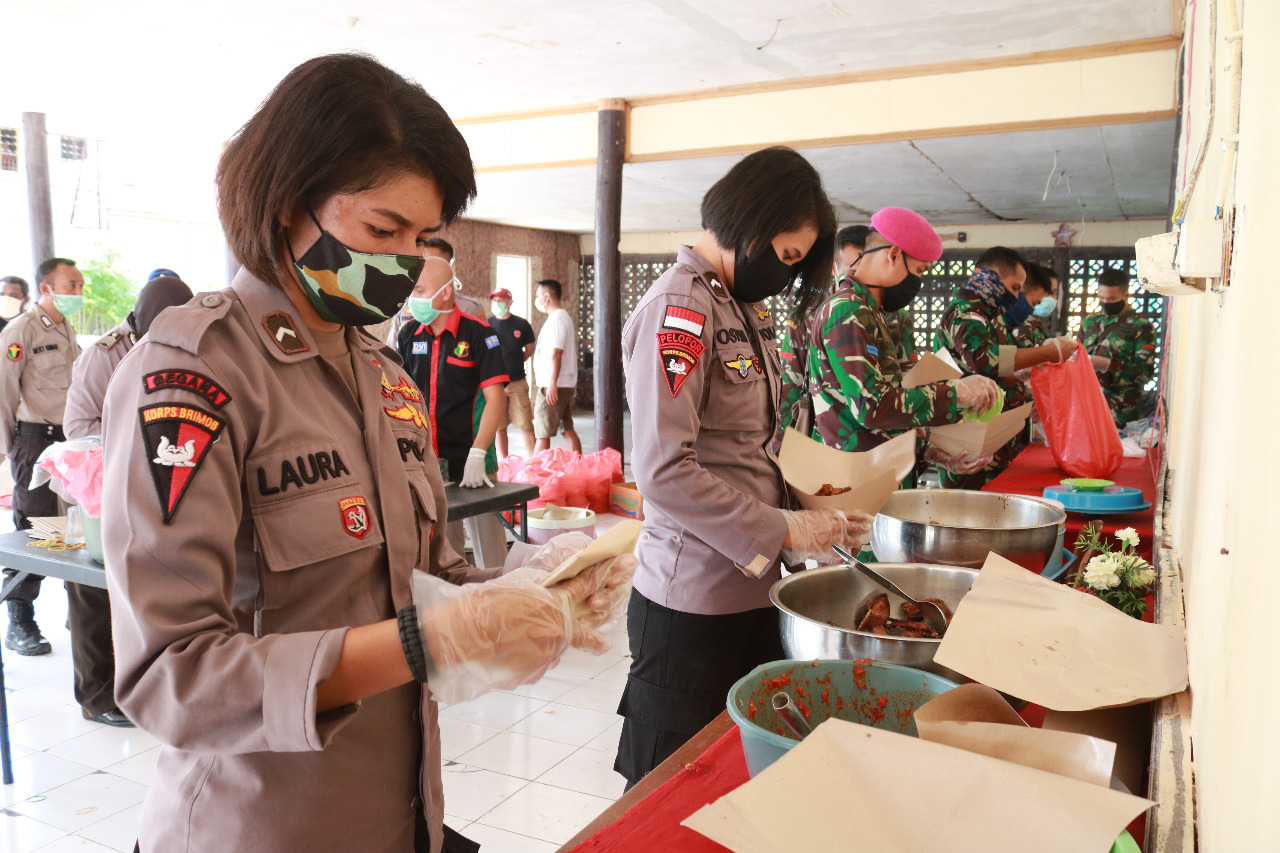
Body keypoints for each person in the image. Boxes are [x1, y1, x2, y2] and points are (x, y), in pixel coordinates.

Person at [99, 54, 630, 853]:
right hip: (255, 829)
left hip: (396, 815)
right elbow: (171, 676)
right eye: (382, 230)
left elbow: (419, 583)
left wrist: (531, 587)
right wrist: (429, 640)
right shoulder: (195, 373)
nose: (406, 261)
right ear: (288, 207)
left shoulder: (383, 374)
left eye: (421, 237)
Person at [616, 147, 872, 789]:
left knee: (738, 763)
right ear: (749, 223)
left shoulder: (735, 308)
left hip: (754, 580)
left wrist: (814, 510)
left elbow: (751, 443)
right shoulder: (682, 310)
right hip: (694, 593)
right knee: (668, 781)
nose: (784, 277)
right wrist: (784, 529)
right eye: (786, 258)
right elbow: (663, 469)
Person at [57, 275, 193, 727]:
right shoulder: (106, 354)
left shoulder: (190, 343)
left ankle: (148, 688)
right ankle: (96, 695)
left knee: (149, 592)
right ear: (138, 323)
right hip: (102, 489)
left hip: (163, 487)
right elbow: (78, 428)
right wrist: (139, 443)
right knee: (92, 589)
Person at [780, 208, 1000, 483]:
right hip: (855, 486)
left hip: (883, 475)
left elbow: (889, 409)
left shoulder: (872, 313)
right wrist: (957, 392)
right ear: (894, 255)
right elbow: (872, 409)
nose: (918, 281)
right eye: (918, 270)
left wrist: (933, 453)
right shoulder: (847, 312)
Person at [397, 256, 510, 567]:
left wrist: (478, 454)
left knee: (490, 545)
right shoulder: (409, 335)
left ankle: (500, 605)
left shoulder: (479, 334)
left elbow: (495, 399)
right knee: (445, 547)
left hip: (474, 456)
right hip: (430, 462)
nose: (413, 300)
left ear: (445, 292)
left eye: (420, 291)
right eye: (412, 292)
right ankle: (458, 610)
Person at [934, 246, 1077, 489]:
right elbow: (982, 360)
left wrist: (1017, 376)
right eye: (1014, 287)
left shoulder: (983, 317)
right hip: (967, 440)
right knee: (970, 512)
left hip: (985, 437)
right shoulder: (966, 314)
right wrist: (1050, 352)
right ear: (990, 277)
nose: (1015, 296)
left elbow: (983, 374)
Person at [0, 257, 84, 657]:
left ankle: (81, 612)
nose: (79, 292)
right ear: (47, 288)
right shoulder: (21, 330)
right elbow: (3, 393)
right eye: (71, 285)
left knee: (74, 528)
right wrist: (8, 450)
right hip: (35, 442)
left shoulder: (67, 328)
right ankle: (20, 620)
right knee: (35, 529)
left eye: (80, 284)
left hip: (69, 442)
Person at [1081, 268, 1157, 426]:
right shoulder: (1090, 322)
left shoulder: (1141, 326)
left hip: (1120, 413)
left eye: (1111, 298)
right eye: (1101, 298)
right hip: (1086, 406)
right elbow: (1075, 357)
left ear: (1125, 295)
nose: (1105, 302)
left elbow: (1145, 374)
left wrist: (1108, 365)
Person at [531, 278, 581, 453]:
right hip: (559, 383)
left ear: (547, 296)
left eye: (538, 296)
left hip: (554, 384)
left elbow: (556, 353)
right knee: (566, 427)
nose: (536, 300)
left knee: (542, 433)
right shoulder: (557, 317)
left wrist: (552, 384)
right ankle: (578, 465)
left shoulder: (558, 319)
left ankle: (535, 475)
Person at [486, 287, 537, 457]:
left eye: (500, 300)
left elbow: (530, 348)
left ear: (510, 302)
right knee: (499, 426)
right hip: (496, 384)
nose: (497, 304)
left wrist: (516, 360)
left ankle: (533, 461)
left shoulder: (521, 324)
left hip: (517, 382)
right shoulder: (488, 324)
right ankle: (504, 462)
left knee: (526, 424)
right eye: (494, 300)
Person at [1010, 263, 1058, 348]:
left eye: (1054, 292)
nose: (1051, 297)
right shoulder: (1021, 327)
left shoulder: (1037, 325)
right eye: (1047, 292)